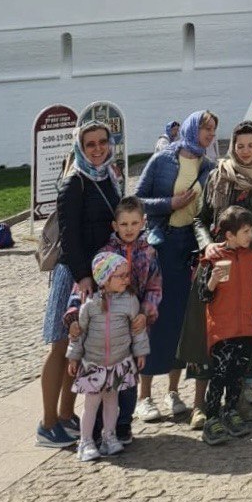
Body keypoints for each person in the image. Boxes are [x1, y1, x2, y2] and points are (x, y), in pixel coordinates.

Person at [182, 120, 252, 425]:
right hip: (217, 267)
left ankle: (236, 399)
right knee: (206, 335)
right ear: (232, 147)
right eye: (240, 145)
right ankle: (200, 404)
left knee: (242, 336)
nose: (246, 151)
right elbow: (199, 220)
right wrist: (208, 246)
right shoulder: (216, 176)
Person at [38, 121, 123, 449]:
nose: (98, 148)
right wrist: (82, 276)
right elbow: (70, 235)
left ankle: (65, 414)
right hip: (75, 275)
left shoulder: (107, 176)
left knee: (79, 348)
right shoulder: (74, 182)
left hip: (97, 274)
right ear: (80, 147)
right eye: (91, 144)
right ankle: (47, 423)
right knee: (61, 346)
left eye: (103, 142)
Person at [133, 110, 216, 425]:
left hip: (190, 247)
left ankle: (172, 390)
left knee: (184, 320)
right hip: (163, 244)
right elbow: (138, 200)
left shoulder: (208, 167)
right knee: (157, 317)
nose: (209, 134)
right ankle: (144, 395)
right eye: (205, 128)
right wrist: (170, 204)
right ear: (193, 128)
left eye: (213, 130)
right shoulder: (163, 159)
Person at [63, 196, 160, 444]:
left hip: (132, 325)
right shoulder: (105, 253)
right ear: (115, 226)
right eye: (124, 224)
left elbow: (154, 286)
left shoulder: (149, 253)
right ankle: (94, 428)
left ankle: (123, 424)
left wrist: (145, 312)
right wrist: (73, 314)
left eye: (134, 223)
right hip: (101, 329)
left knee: (127, 378)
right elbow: (84, 287)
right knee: (99, 381)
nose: (129, 229)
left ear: (143, 223)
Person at [67, 253, 149, 462]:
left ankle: (109, 437)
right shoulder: (90, 304)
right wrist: (74, 357)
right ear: (104, 279)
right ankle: (85, 441)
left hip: (118, 362)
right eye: (119, 276)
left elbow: (137, 330)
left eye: (126, 275)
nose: (125, 279)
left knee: (112, 402)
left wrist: (140, 352)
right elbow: (80, 334)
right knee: (91, 403)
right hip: (94, 363)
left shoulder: (129, 301)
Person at [196, 206, 252, 445]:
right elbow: (203, 296)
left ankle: (231, 410)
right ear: (229, 235)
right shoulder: (212, 258)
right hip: (222, 329)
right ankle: (211, 417)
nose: (250, 236)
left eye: (251, 231)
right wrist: (213, 280)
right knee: (219, 375)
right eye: (246, 231)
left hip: (246, 327)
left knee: (238, 374)